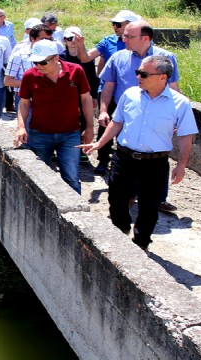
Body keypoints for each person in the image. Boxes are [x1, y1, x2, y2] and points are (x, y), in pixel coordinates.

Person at [78, 56, 198, 251]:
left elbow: (186, 136)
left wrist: (181, 165)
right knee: (116, 198)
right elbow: (117, 122)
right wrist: (100, 143)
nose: (138, 77)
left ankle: (141, 243)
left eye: (143, 74)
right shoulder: (130, 94)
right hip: (124, 158)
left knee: (149, 205)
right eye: (138, 72)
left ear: (163, 77)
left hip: (155, 163)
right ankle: (121, 229)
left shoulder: (180, 104)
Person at [98, 20, 181, 212]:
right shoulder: (118, 57)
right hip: (127, 114)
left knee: (156, 153)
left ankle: (158, 197)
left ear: (145, 38)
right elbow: (108, 86)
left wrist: (176, 117)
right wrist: (103, 110)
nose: (123, 38)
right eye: (124, 35)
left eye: (128, 36)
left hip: (157, 113)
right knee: (129, 152)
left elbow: (174, 88)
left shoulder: (166, 58)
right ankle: (128, 195)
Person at [15, 39, 96, 194]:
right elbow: (24, 103)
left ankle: (75, 215)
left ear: (56, 58)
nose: (38, 66)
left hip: (70, 133)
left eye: (42, 62)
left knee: (71, 177)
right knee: (40, 178)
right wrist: (20, 127)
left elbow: (86, 99)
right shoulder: (30, 76)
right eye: (35, 62)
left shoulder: (76, 71)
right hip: (40, 134)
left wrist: (90, 128)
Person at [75, 10, 141, 174]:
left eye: (118, 24)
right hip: (108, 92)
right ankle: (103, 160)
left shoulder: (141, 45)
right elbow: (86, 58)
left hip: (132, 95)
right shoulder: (108, 41)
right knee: (105, 126)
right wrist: (80, 45)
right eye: (113, 24)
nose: (115, 27)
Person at [61, 26, 99, 164]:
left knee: (83, 121)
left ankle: (80, 149)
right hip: (67, 95)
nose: (72, 41)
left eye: (76, 38)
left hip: (84, 94)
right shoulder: (60, 57)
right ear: (64, 40)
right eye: (69, 38)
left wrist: (94, 96)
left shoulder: (87, 57)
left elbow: (92, 78)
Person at [4, 24, 53, 112]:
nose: (47, 42)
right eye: (43, 39)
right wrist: (33, 84)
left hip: (48, 97)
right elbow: (8, 81)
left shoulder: (53, 55)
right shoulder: (18, 56)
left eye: (49, 39)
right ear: (32, 38)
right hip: (26, 98)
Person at [0, 8, 17, 113]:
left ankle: (9, 105)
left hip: (7, 57)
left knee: (9, 81)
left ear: (4, 17)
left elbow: (12, 40)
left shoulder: (10, 26)